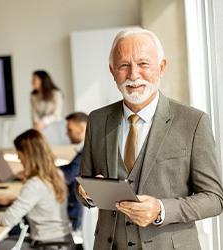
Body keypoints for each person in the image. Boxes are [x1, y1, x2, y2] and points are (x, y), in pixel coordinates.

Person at [75, 27, 223, 249]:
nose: (134, 75)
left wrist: (161, 210)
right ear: (112, 71)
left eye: (143, 64)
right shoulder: (97, 120)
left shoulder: (193, 122)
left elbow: (214, 199)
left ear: (161, 67)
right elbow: (83, 187)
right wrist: (86, 194)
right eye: (124, 65)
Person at [0, 129, 75, 250]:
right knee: (7, 242)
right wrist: (11, 201)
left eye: (19, 154)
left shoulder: (34, 184)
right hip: (64, 241)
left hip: (48, 245)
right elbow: (43, 199)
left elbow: (7, 220)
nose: (18, 158)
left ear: (28, 155)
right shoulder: (57, 174)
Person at [60, 112, 88, 231]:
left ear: (82, 129)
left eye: (69, 129)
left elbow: (68, 175)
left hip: (73, 216)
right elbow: (71, 167)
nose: (66, 133)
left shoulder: (87, 151)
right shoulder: (86, 149)